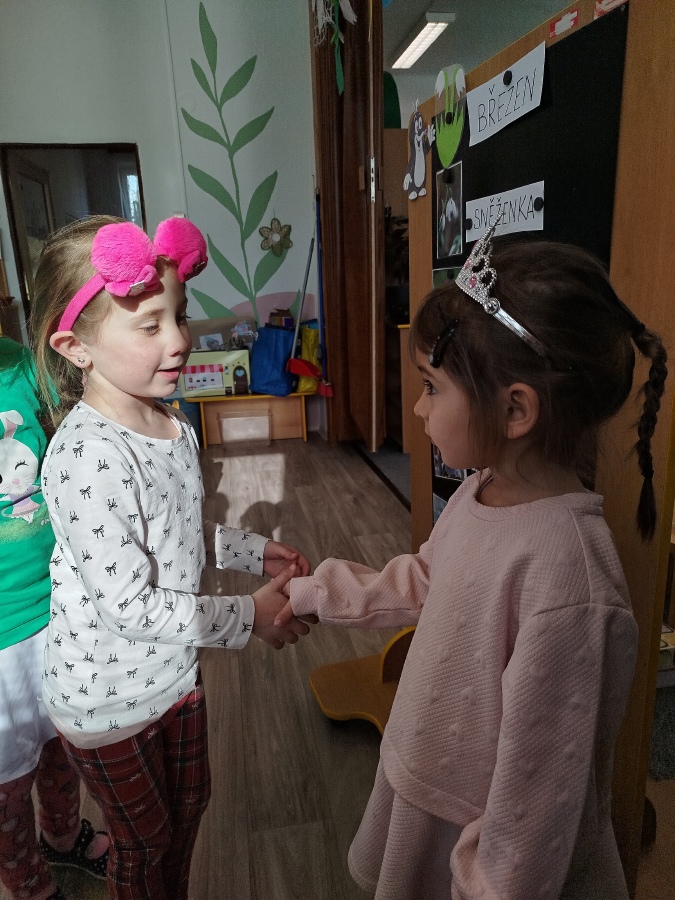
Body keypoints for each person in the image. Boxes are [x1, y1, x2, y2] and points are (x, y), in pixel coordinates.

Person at [277, 226, 668, 900]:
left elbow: (533, 814)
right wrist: (318, 592)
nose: (418, 407)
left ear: (514, 409)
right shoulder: (479, 490)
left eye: (432, 387)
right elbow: (430, 580)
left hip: (481, 848)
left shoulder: (568, 581)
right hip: (429, 782)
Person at [30, 215, 311, 900]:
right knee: (144, 841)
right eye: (149, 326)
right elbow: (128, 606)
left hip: (174, 673)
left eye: (179, 316)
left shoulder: (171, 422)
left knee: (187, 816)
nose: (179, 339)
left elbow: (178, 528)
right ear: (76, 347)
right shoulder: (87, 456)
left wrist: (252, 551)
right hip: (105, 701)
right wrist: (248, 616)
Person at [0, 334, 109, 900]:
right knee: (6, 787)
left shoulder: (23, 363)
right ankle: (30, 888)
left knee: (62, 747)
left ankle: (62, 839)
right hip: (2, 639)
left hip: (58, 602)